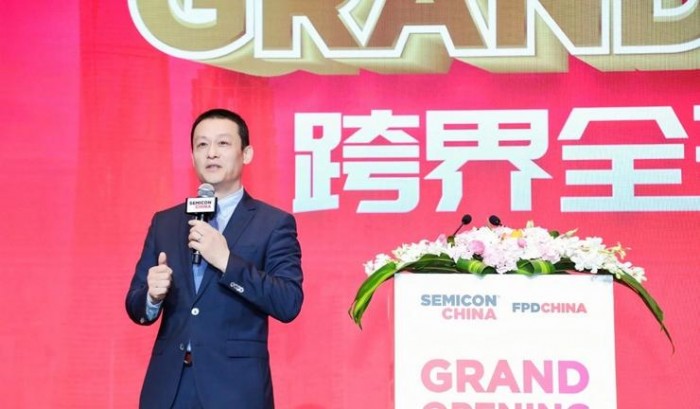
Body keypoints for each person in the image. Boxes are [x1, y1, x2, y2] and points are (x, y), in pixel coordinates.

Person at [125, 108, 304, 409]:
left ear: (246, 154)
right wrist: (152, 297)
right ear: (192, 156)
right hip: (169, 390)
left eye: (223, 143)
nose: (211, 153)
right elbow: (135, 305)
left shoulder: (273, 223)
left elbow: (288, 302)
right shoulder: (165, 222)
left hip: (236, 391)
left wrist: (226, 261)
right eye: (202, 144)